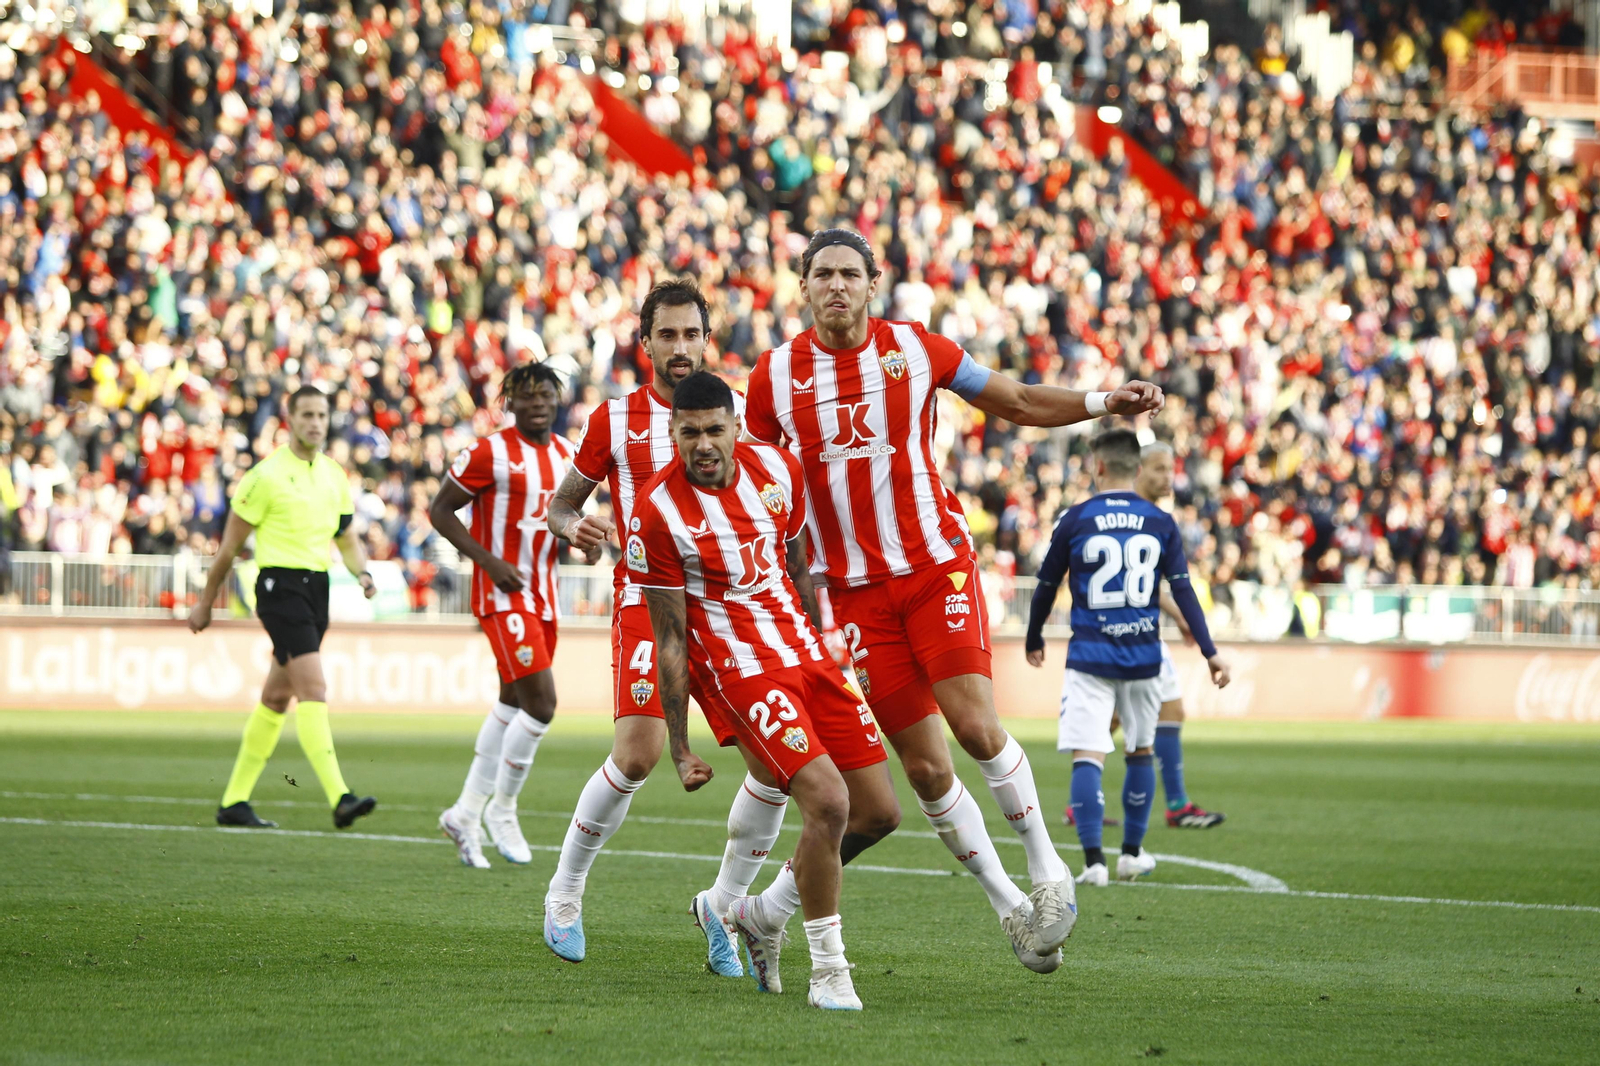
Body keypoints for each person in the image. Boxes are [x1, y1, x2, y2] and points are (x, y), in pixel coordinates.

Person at [741, 228, 1165, 966]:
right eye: (822, 274)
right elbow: (758, 487)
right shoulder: (772, 378)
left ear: (873, 283)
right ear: (802, 286)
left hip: (935, 568)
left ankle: (1047, 871)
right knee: (927, 772)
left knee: (973, 725)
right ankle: (1010, 911)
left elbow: (1020, 400)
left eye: (850, 274)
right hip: (854, 598)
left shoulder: (916, 349)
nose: (836, 286)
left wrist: (1105, 401)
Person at [544, 281, 890, 972]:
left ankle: (722, 908)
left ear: (707, 339)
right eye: (666, 335)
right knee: (638, 754)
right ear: (645, 342)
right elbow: (561, 506)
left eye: (690, 335)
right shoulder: (615, 419)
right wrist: (571, 525)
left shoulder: (730, 417)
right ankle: (566, 891)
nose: (679, 347)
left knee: (774, 767)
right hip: (651, 604)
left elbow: (776, 526)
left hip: (736, 615)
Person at [635, 371, 889, 1011]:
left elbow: (797, 564)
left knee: (878, 812)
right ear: (672, 432)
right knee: (828, 802)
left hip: (806, 654)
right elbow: (670, 638)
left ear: (736, 426)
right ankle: (829, 972)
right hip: (741, 671)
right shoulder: (657, 511)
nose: (703, 444)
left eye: (714, 430)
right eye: (688, 432)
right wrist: (679, 746)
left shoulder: (777, 467)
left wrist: (826, 643)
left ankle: (763, 912)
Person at [1023, 429, 1230, 888]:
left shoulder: (1075, 518)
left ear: (1097, 467)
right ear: (1137, 469)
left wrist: (1034, 636)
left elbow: (1045, 587)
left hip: (1090, 657)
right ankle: (1132, 855)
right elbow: (1183, 591)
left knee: (1088, 755)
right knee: (1141, 751)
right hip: (1143, 657)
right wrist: (1210, 651)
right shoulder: (1160, 521)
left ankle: (1094, 863)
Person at [191, 385, 378, 830]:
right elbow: (228, 548)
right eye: (307, 414)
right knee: (314, 688)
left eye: (322, 415)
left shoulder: (334, 476)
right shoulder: (265, 477)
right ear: (289, 419)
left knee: (277, 697)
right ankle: (340, 797)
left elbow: (346, 538)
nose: (315, 423)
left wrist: (363, 573)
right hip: (279, 587)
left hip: (317, 589)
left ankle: (234, 802)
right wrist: (205, 603)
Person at [431, 362, 594, 868]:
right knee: (541, 705)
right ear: (510, 402)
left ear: (558, 399)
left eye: (546, 394)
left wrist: (583, 542)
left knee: (510, 702)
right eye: (527, 395)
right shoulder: (489, 452)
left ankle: (463, 813)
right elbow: (440, 510)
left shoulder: (568, 455)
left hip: (544, 594)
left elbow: (566, 520)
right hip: (503, 595)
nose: (538, 402)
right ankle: (501, 809)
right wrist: (488, 561)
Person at [1134, 442, 1225, 829]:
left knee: (1165, 711)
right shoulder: (1144, 518)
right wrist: (1203, 641)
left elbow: (1150, 584)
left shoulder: (1152, 517)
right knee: (1125, 722)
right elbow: (1160, 584)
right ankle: (1165, 812)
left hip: (1139, 632)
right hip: (1129, 634)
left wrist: (1178, 617)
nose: (1168, 477)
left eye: (1171, 469)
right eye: (1159, 469)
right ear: (1138, 470)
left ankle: (1175, 804)